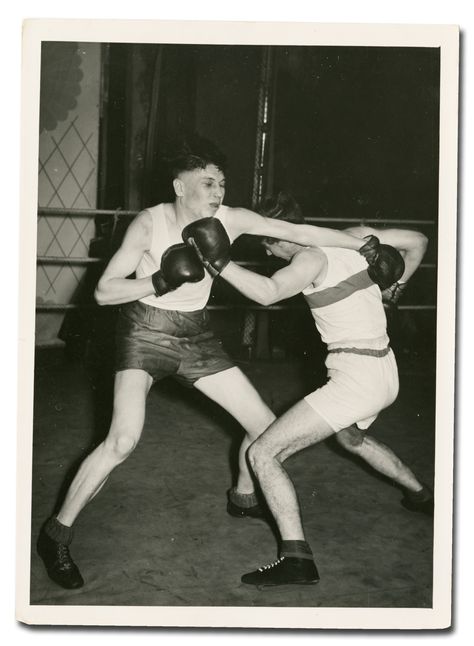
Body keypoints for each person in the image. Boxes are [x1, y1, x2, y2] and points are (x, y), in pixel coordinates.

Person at [36, 136, 390, 590]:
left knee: (266, 428)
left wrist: (364, 245)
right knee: (122, 440)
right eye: (207, 182)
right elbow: (105, 291)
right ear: (180, 186)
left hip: (197, 337)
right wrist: (160, 279)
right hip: (144, 333)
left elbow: (300, 234)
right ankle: (56, 534)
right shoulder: (149, 223)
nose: (218, 191)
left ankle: (243, 495)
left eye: (222, 182)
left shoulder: (231, 219)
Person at [199, 196, 432, 588]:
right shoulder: (355, 237)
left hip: (355, 377)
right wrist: (397, 286)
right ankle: (421, 496)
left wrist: (218, 263)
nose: (270, 250)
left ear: (272, 240)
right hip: (385, 369)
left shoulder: (308, 261)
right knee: (351, 437)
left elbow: (268, 292)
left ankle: (296, 559)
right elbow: (419, 240)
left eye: (267, 244)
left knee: (263, 451)